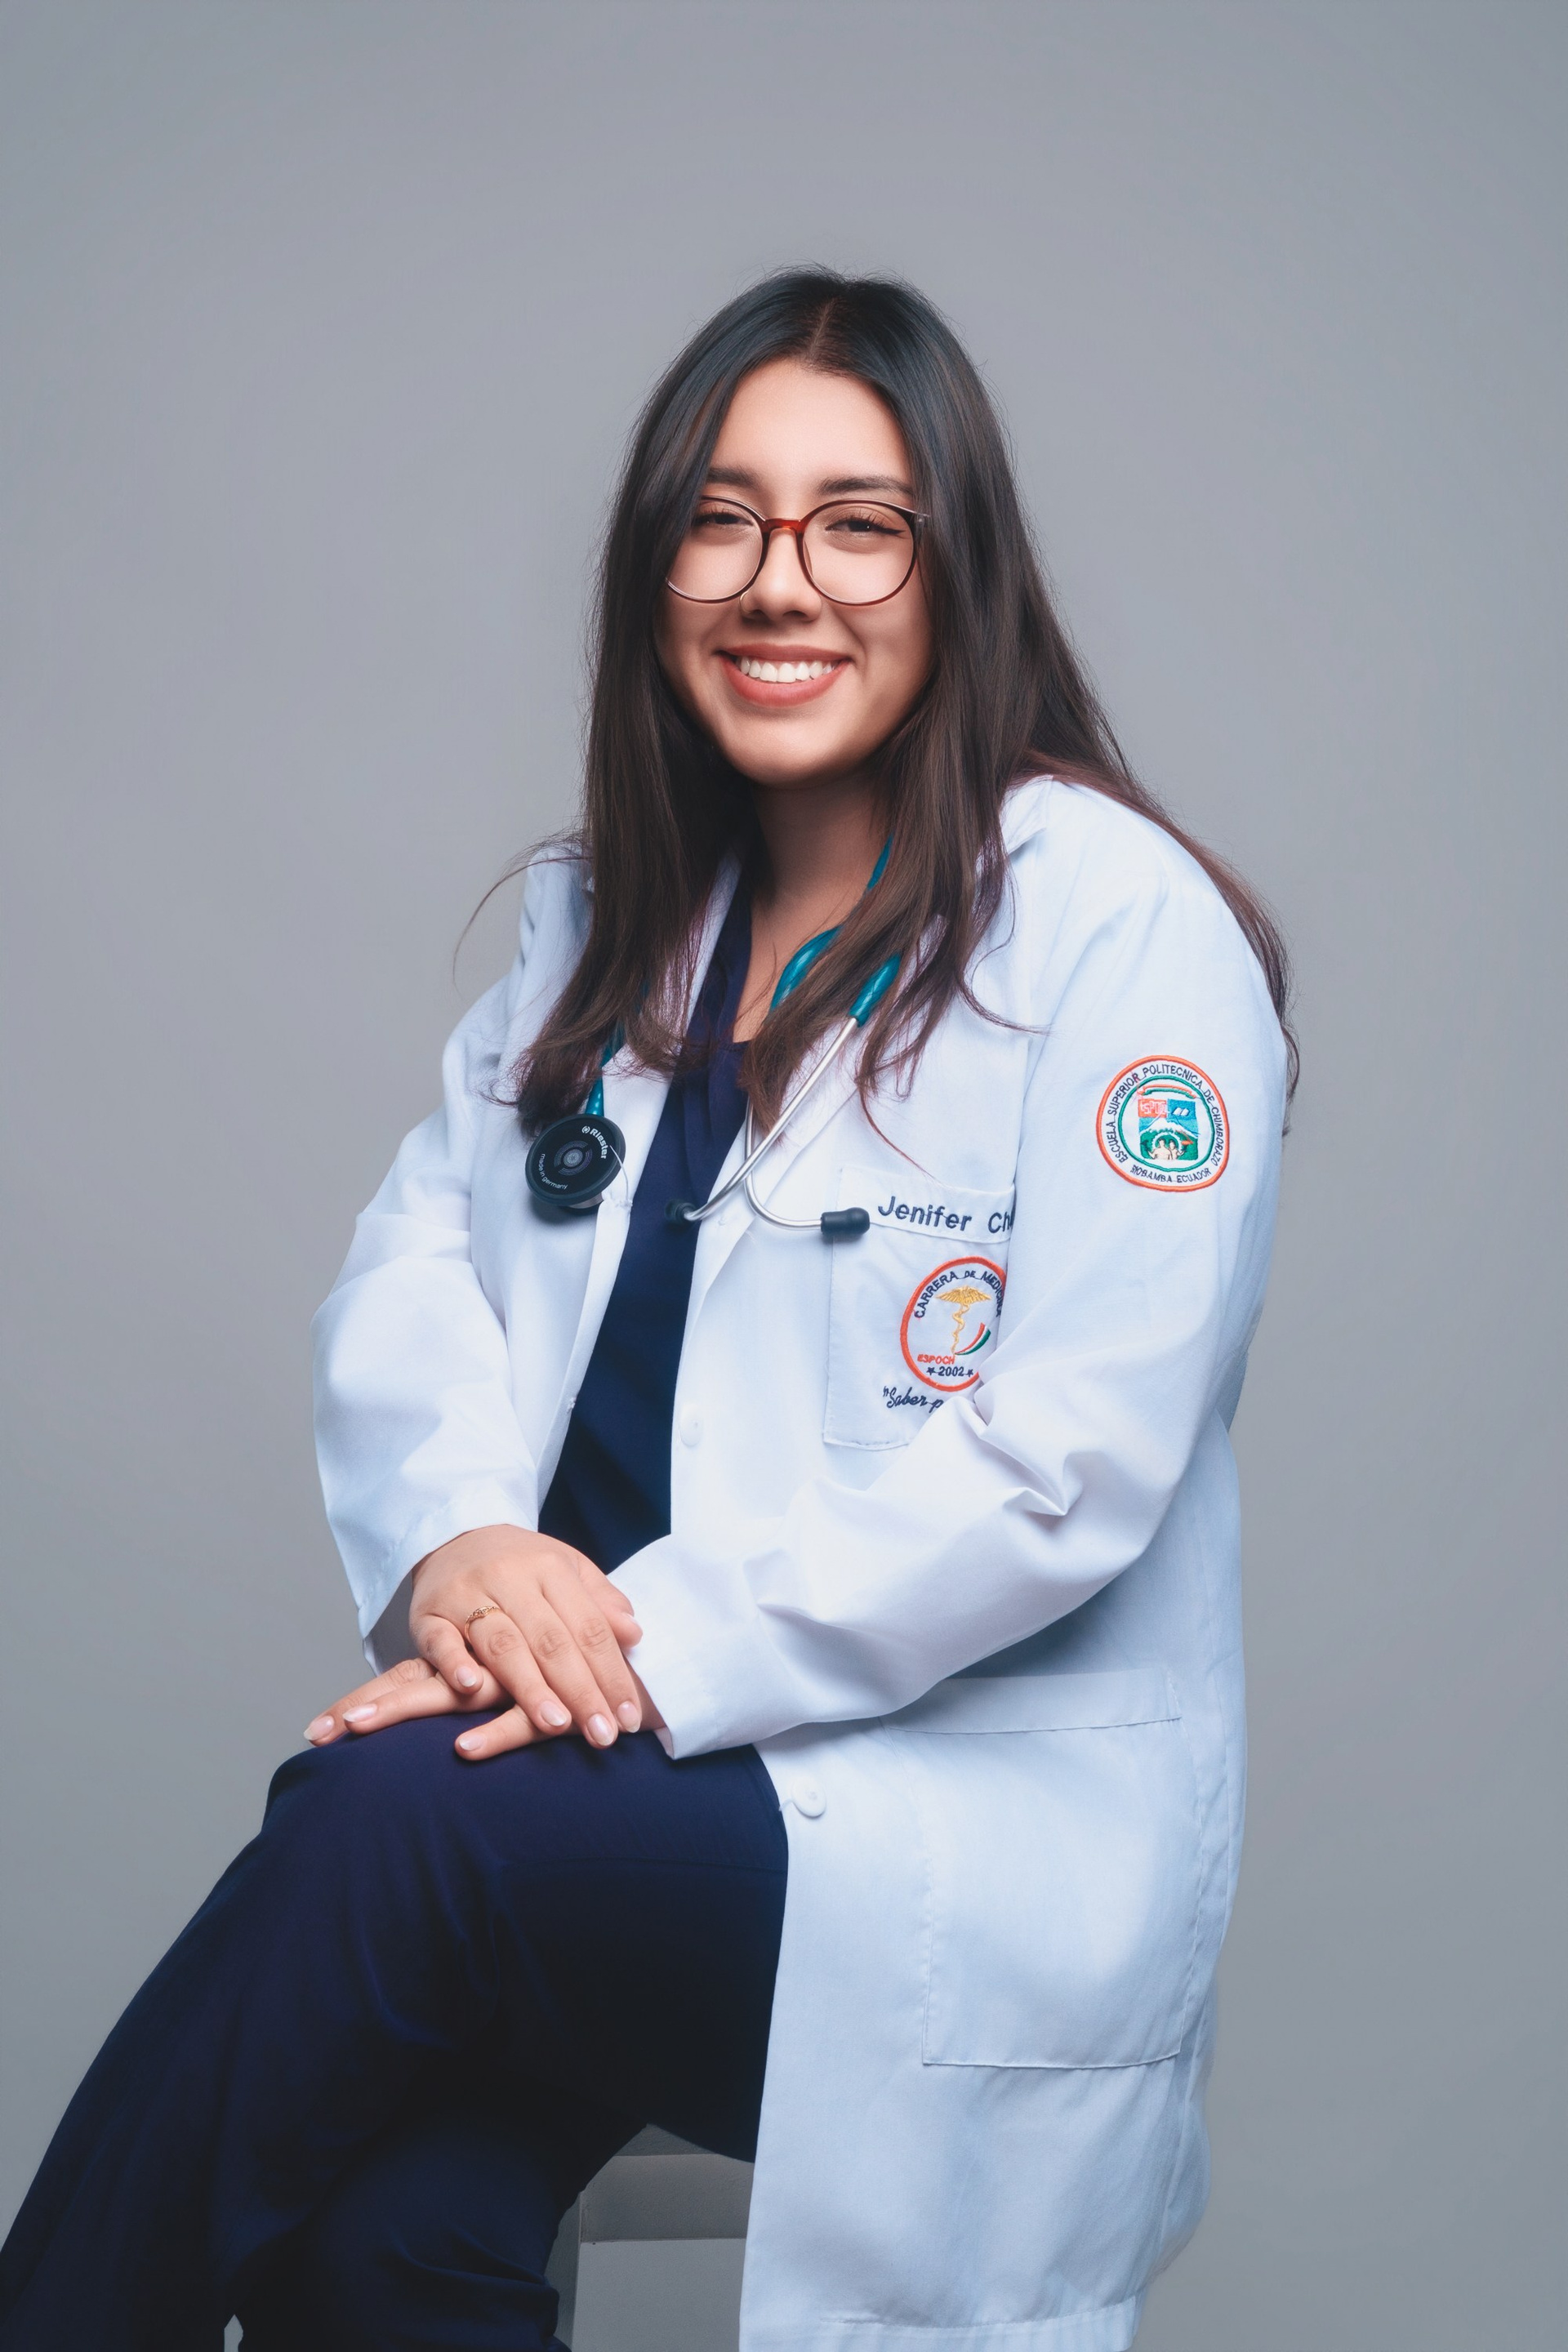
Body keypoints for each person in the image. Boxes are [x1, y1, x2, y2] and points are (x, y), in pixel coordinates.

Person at [0, 270, 1292, 2352]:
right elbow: (417, 1262)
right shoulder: (605, 915)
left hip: (942, 1849)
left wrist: (617, 1647)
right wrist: (464, 1551)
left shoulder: (1117, 929)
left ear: (960, 569)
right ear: (654, 569)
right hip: (614, 1815)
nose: (782, 581)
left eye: (860, 524)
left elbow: (1071, 1462)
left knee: (390, 1822)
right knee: (374, 2242)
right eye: (722, 517)